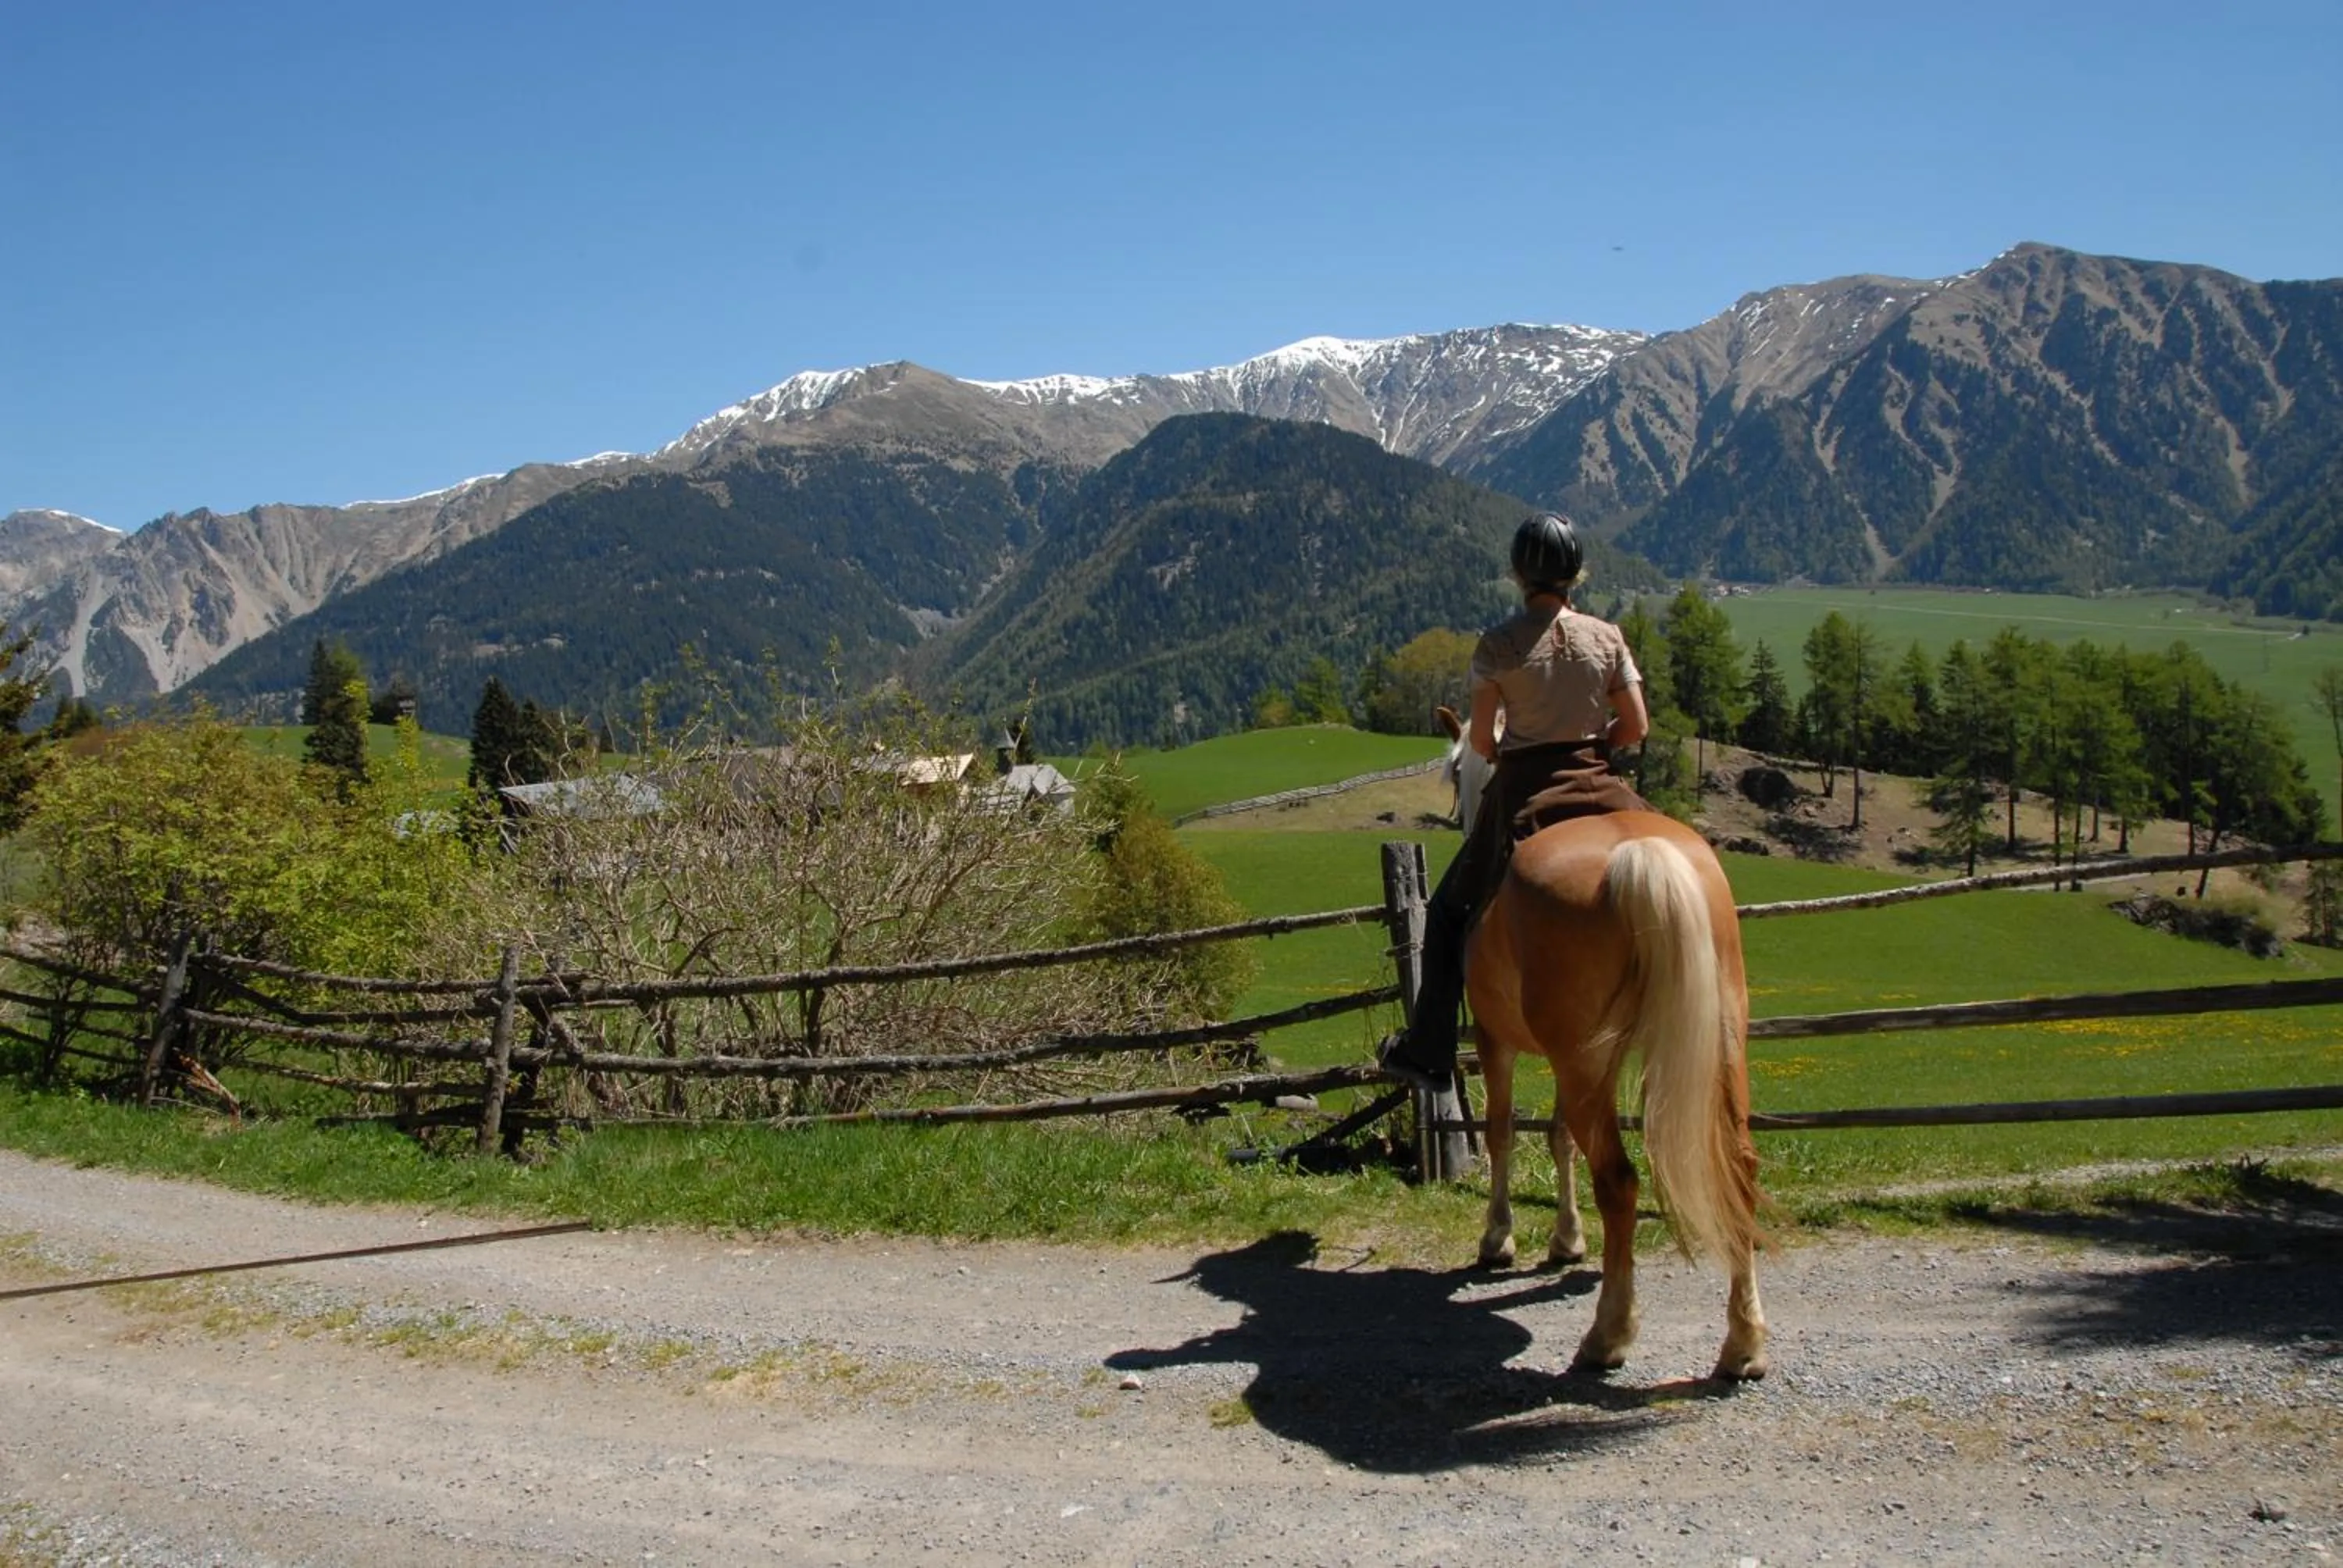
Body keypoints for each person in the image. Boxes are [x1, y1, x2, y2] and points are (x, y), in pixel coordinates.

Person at [1378, 511, 1651, 1088]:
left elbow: (1480, 741)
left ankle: (1429, 1050)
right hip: (1599, 776)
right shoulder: (1608, 637)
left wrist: (1510, 746)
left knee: (1449, 913)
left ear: (1518, 575)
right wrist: (1596, 742)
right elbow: (1635, 726)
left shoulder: (1498, 645)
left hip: (1526, 786)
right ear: (1577, 574)